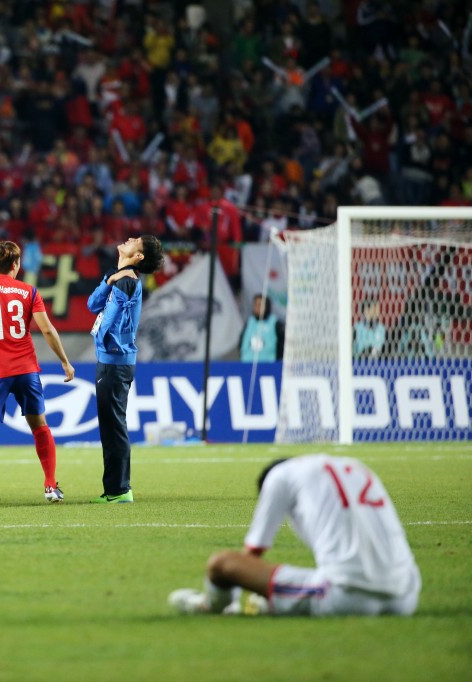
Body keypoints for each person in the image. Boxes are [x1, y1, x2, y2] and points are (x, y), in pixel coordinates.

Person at [169, 455, 422, 617]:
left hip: (347, 596)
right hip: (407, 596)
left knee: (222, 563)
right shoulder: (355, 467)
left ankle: (211, 606)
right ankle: (272, 602)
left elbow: (252, 554)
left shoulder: (280, 476)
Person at [0, 240, 75, 508]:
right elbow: (47, 330)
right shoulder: (29, 292)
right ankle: (50, 486)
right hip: (25, 370)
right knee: (40, 426)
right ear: (16, 265)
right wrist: (65, 362)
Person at [86, 235, 165, 504]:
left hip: (114, 363)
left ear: (139, 255)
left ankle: (120, 489)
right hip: (111, 361)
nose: (129, 239)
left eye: (136, 241)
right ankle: (114, 489)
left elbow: (110, 321)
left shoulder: (129, 282)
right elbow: (93, 304)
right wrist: (108, 280)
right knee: (110, 426)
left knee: (115, 426)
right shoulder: (120, 277)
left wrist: (101, 340)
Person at [239, 294, 284, 362]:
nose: (257, 307)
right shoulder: (249, 322)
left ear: (266, 306)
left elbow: (281, 344)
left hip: (269, 364)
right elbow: (242, 342)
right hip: (247, 363)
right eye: (255, 305)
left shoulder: (274, 323)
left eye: (260, 305)